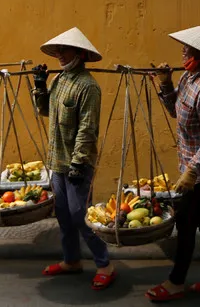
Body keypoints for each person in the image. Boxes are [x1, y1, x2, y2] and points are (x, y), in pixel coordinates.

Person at [146, 23, 200, 303]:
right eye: (184, 48)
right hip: (190, 167)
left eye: (189, 49)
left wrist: (193, 170)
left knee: (185, 222)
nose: (183, 53)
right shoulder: (187, 80)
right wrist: (165, 83)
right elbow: (174, 112)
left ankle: (176, 282)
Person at [32, 27, 116, 291]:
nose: (59, 54)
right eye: (57, 50)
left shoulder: (89, 87)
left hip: (77, 163)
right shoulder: (58, 80)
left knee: (81, 215)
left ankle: (105, 264)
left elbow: (88, 128)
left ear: (79, 53)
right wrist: (40, 87)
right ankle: (72, 260)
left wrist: (79, 162)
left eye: (64, 50)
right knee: (63, 215)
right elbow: (44, 111)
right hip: (57, 161)